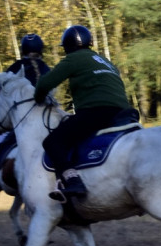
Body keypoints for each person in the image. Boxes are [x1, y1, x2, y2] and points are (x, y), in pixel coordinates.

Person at [33, 25, 131, 200]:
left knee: (53, 142)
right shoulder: (105, 61)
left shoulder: (74, 59)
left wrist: (38, 98)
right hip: (125, 112)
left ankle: (73, 181)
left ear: (68, 46)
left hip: (98, 112)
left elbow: (44, 84)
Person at [0, 33, 50, 199]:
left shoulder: (16, 67)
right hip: (45, 120)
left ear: (23, 49)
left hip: (21, 121)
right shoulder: (46, 69)